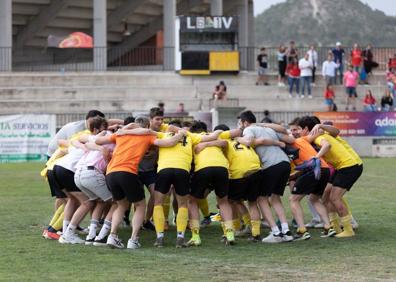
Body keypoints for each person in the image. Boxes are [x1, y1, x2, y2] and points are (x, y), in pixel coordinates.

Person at [95, 117, 187, 249]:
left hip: (111, 173)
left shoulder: (121, 134)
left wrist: (124, 128)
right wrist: (181, 134)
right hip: (127, 172)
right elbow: (168, 143)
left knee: (121, 205)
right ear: (147, 126)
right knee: (140, 205)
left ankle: (112, 236)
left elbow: (98, 140)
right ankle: (133, 239)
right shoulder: (146, 136)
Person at [152, 124, 222, 248]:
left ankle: (159, 238)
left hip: (164, 169)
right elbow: (212, 136)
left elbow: (147, 132)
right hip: (182, 170)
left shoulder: (162, 135)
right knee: (183, 204)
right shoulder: (190, 136)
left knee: (158, 203)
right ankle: (180, 237)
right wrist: (219, 132)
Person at [236, 111, 295, 243]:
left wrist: (237, 138)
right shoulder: (267, 128)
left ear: (245, 122)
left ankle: (276, 232)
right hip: (285, 163)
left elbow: (248, 141)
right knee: (275, 198)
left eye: (240, 123)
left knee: (262, 199)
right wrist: (275, 141)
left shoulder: (249, 129)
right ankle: (286, 231)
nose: (240, 126)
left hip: (271, 165)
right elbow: (290, 139)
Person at [298, 116, 363, 238]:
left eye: (299, 129)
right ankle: (335, 227)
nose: (299, 132)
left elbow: (326, 145)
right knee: (326, 196)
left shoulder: (318, 136)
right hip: (343, 166)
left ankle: (349, 229)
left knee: (335, 198)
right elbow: (336, 132)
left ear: (306, 129)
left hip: (350, 166)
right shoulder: (321, 134)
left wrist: (316, 158)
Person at [56, 117, 108, 244]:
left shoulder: (85, 137)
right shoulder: (92, 139)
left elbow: (71, 141)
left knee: (73, 200)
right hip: (69, 170)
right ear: (96, 129)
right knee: (88, 203)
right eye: (104, 128)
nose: (106, 131)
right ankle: (69, 233)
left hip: (58, 168)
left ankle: (65, 232)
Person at [287, 118, 336, 240]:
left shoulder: (290, 143)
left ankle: (302, 231)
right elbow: (318, 133)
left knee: (293, 199)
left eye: (296, 129)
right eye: (291, 130)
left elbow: (318, 134)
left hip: (314, 169)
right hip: (324, 169)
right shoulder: (302, 139)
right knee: (314, 199)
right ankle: (328, 227)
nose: (293, 132)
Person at [187, 121, 235, 246]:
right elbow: (225, 143)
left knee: (192, 200)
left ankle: (195, 236)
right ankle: (229, 233)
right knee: (223, 201)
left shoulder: (193, 138)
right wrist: (211, 143)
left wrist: (205, 144)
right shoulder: (214, 135)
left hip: (203, 168)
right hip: (222, 168)